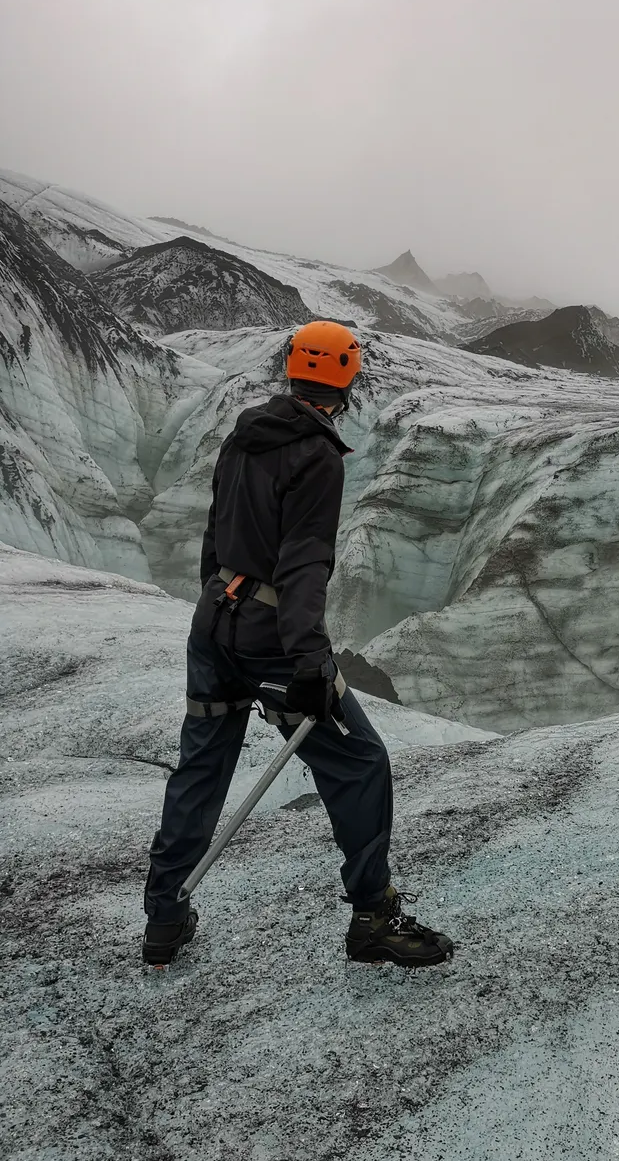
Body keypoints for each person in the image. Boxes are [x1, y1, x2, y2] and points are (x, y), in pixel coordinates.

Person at [142, 321, 453, 968]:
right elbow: (304, 562)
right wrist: (310, 659)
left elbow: (215, 531)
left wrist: (217, 599)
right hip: (273, 640)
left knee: (202, 765)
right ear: (348, 378)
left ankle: (164, 916)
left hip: (214, 622)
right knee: (360, 762)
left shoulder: (244, 433)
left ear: (292, 369)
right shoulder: (316, 455)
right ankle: (373, 918)